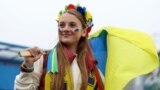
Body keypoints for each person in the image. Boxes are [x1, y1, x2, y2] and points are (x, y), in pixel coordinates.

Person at [14, 4, 104, 90]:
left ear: (84, 32)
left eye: (72, 25)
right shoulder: (42, 59)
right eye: (62, 25)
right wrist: (28, 65)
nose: (65, 29)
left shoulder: (94, 71)